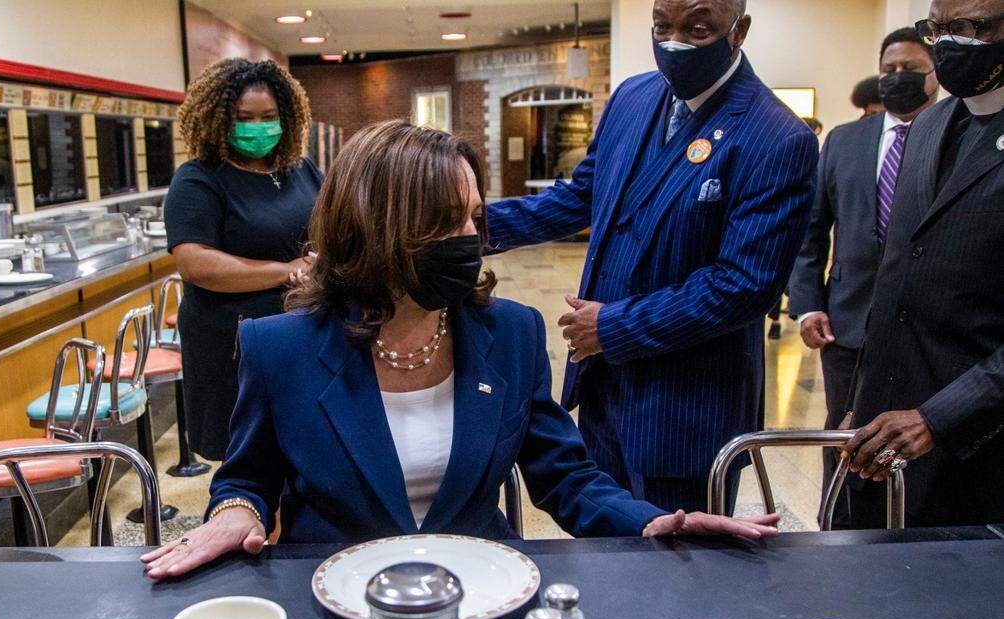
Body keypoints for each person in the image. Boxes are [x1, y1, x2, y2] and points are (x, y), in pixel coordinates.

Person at [141, 122, 778, 579]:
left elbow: (567, 477)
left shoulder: (513, 334)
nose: (471, 239)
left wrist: (648, 522)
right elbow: (249, 476)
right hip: (333, 596)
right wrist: (231, 511)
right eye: (448, 220)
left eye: (475, 217)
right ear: (375, 226)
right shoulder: (278, 347)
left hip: (480, 593)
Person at [483, 0, 819, 513]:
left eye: (697, 28)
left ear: (739, 30)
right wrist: (473, 226)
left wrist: (613, 327)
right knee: (607, 539)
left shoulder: (776, 137)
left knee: (678, 566)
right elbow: (581, 196)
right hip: (605, 389)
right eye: (662, 26)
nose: (674, 41)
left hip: (685, 409)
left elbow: (743, 286)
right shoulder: (634, 97)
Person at [842, 0, 1004, 528]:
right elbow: (897, 279)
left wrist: (938, 418)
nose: (948, 44)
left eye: (969, 28)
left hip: (975, 446)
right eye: (937, 29)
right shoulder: (931, 124)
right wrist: (860, 398)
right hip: (882, 432)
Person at [787, 27, 939, 525]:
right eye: (888, 69)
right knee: (843, 434)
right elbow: (811, 232)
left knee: (910, 443)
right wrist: (808, 303)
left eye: (910, 71)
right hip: (847, 324)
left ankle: (902, 534)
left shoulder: (953, 137)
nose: (897, 79)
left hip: (925, 328)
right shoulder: (845, 141)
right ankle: (838, 527)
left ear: (934, 74)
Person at [165, 59, 320, 462]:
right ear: (219, 120)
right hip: (232, 340)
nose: (258, 127)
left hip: (303, 329)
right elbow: (195, 262)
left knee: (305, 451)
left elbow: (332, 222)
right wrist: (286, 272)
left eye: (269, 117)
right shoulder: (199, 179)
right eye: (244, 118)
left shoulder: (300, 171)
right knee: (251, 457)